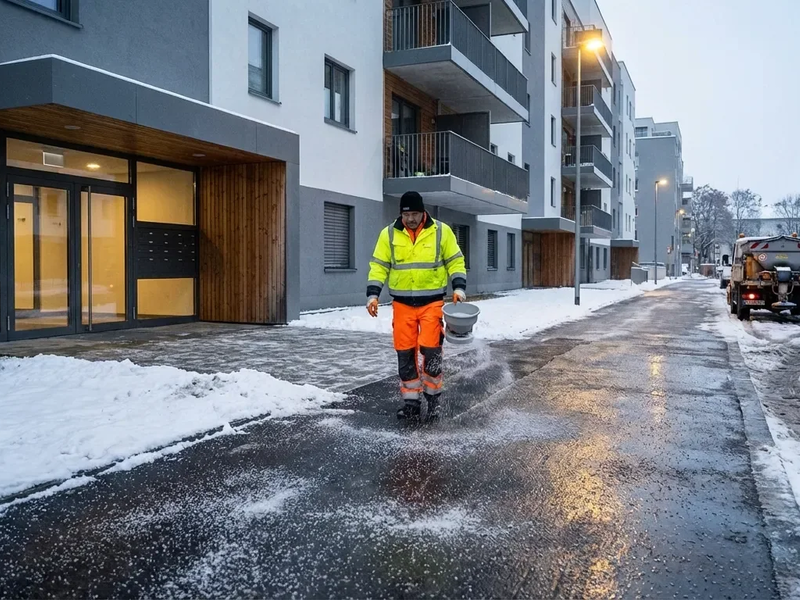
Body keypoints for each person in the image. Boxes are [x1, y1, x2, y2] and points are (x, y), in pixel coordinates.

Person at [366, 191, 467, 422]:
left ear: (423, 212)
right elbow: (379, 265)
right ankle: (411, 402)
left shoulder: (441, 231)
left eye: (415, 213)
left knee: (431, 351)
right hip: (402, 304)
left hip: (432, 302)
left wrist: (459, 288)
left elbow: (456, 261)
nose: (410, 218)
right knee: (405, 352)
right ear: (401, 213)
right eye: (406, 214)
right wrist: (372, 295)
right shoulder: (389, 234)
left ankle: (433, 402)